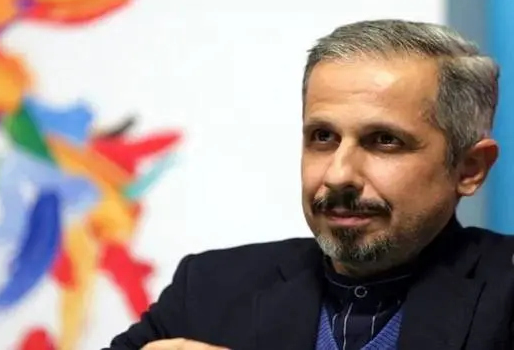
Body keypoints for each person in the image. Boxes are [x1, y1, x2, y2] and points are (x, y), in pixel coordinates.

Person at [104, 20, 514, 350]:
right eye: (323, 137)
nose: (338, 175)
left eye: (384, 141)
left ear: (469, 168)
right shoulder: (210, 287)